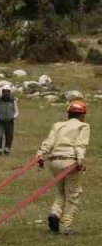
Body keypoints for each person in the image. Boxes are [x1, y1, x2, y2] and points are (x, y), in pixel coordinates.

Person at [36, 99, 90, 235]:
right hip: (70, 162)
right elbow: (80, 144)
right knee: (73, 194)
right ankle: (66, 225)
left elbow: (49, 142)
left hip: (54, 161)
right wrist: (80, 161)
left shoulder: (58, 125)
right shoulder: (83, 126)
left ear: (68, 114)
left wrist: (40, 154)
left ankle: (55, 213)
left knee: (61, 191)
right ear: (82, 115)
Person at [0, 84, 17, 155]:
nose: (6, 93)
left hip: (10, 121)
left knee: (9, 136)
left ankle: (7, 149)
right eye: (5, 91)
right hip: (0, 121)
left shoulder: (12, 101)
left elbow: (16, 111)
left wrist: (14, 117)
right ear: (2, 92)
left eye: (7, 91)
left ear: (9, 92)